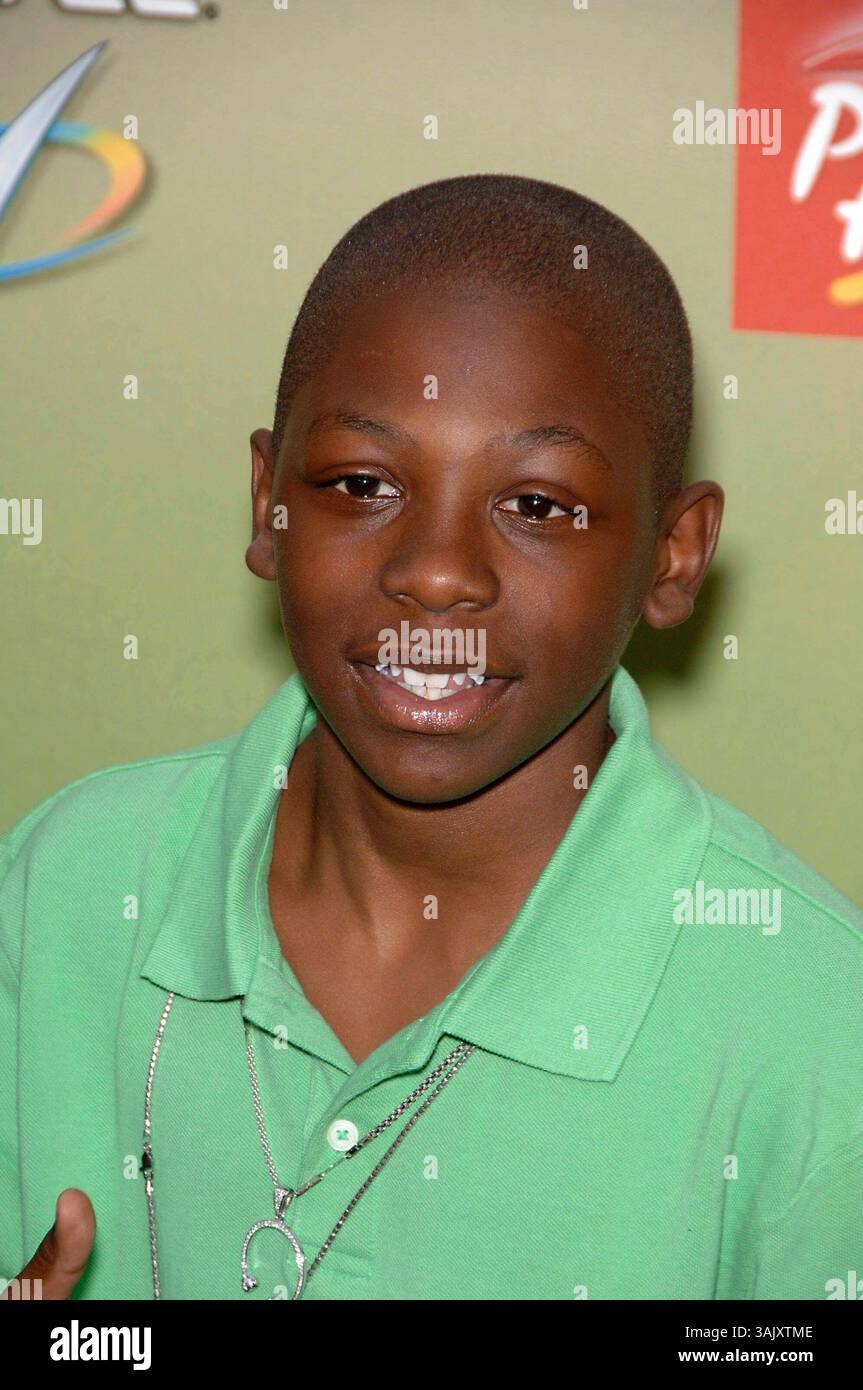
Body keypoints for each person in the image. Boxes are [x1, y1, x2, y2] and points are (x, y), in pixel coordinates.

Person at [2, 174, 861, 1302]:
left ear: (672, 552)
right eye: (362, 483)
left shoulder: (811, 1021)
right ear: (268, 502)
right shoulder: (64, 885)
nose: (435, 572)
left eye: (539, 504)